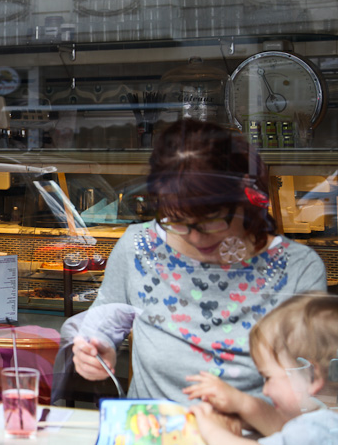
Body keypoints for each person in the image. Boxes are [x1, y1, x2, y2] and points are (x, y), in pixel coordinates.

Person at [66, 118, 326, 408]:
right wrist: (96, 350)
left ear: (245, 198)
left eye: (210, 220)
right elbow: (102, 323)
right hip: (151, 428)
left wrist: (244, 409)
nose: (195, 238)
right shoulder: (138, 246)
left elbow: (307, 389)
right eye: (177, 221)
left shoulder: (298, 268)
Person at [188, 292, 338, 443]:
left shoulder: (315, 429)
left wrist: (212, 429)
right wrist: (242, 405)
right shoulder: (326, 424)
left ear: (311, 376)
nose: (265, 391)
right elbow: (282, 432)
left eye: (268, 378)